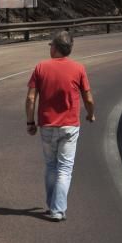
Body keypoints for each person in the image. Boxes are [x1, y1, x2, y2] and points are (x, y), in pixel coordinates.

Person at [25, 30, 95, 221]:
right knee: (64, 168)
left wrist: (30, 122)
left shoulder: (41, 67)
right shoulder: (78, 68)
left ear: (55, 48)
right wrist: (90, 114)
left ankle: (52, 205)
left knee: (51, 165)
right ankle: (57, 209)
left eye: (51, 46)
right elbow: (88, 98)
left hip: (47, 125)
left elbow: (31, 98)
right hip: (69, 126)